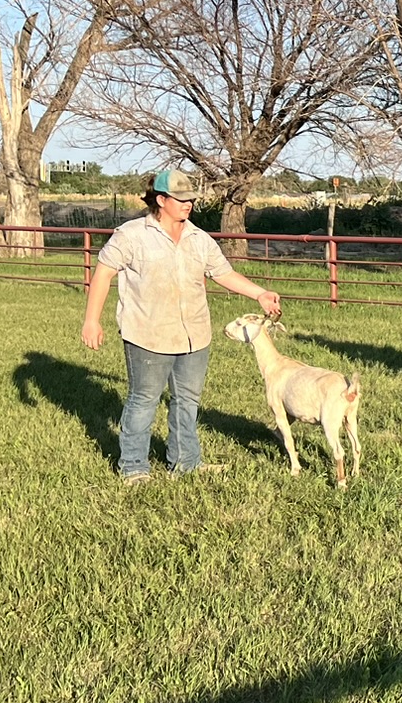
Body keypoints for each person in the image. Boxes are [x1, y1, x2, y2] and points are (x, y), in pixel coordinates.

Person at [79, 168, 285, 481]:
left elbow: (223, 273)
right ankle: (133, 467)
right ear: (160, 200)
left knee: (187, 401)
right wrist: (91, 320)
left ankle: (185, 463)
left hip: (194, 335)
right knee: (143, 400)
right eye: (181, 199)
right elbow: (104, 273)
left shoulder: (199, 239)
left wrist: (260, 293)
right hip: (148, 335)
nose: (188, 204)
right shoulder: (132, 235)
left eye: (191, 199)